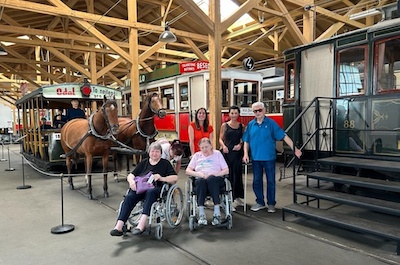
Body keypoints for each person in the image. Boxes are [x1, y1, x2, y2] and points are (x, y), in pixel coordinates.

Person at [242, 102, 302, 213]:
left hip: (269, 158)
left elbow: (284, 136)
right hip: (255, 158)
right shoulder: (250, 125)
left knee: (270, 181)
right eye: (255, 111)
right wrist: (245, 154)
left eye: (259, 110)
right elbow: (246, 140)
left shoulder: (271, 123)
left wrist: (295, 149)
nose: (258, 113)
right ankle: (260, 202)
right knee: (256, 181)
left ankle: (271, 203)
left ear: (264, 110)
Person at [110, 142, 178, 236]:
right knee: (129, 197)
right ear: (149, 152)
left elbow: (175, 178)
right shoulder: (144, 162)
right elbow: (131, 175)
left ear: (161, 153)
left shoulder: (165, 163)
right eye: (152, 151)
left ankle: (141, 224)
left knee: (151, 193)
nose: (154, 153)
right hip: (140, 187)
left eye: (157, 152)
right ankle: (119, 226)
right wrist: (132, 182)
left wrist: (161, 178)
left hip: (155, 188)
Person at [186, 137, 229, 226]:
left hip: (216, 179)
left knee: (211, 179)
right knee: (200, 181)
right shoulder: (197, 156)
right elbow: (188, 171)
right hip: (201, 179)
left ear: (211, 146)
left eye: (206, 147)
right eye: (202, 148)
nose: (204, 149)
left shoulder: (217, 154)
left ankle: (217, 213)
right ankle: (201, 214)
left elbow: (226, 170)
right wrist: (199, 174)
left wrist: (214, 174)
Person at [219, 105, 245, 210]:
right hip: (227, 152)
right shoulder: (224, 125)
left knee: (237, 175)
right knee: (228, 176)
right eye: (232, 113)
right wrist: (224, 146)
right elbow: (220, 139)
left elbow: (243, 138)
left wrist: (240, 144)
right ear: (229, 114)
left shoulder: (241, 126)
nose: (234, 115)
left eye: (236, 113)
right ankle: (228, 199)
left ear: (238, 114)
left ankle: (237, 197)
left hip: (237, 153)